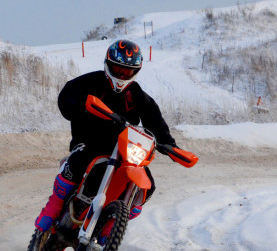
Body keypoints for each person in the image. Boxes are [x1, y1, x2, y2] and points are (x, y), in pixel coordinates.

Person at [34, 39, 179, 231]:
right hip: (88, 140)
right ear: (108, 64)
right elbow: (66, 97)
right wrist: (79, 109)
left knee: (148, 186)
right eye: (117, 69)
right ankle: (53, 206)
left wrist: (169, 145)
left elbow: (155, 121)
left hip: (122, 149)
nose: (121, 74)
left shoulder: (137, 95)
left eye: (126, 72)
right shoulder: (89, 82)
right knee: (78, 162)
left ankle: (110, 230)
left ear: (135, 72)